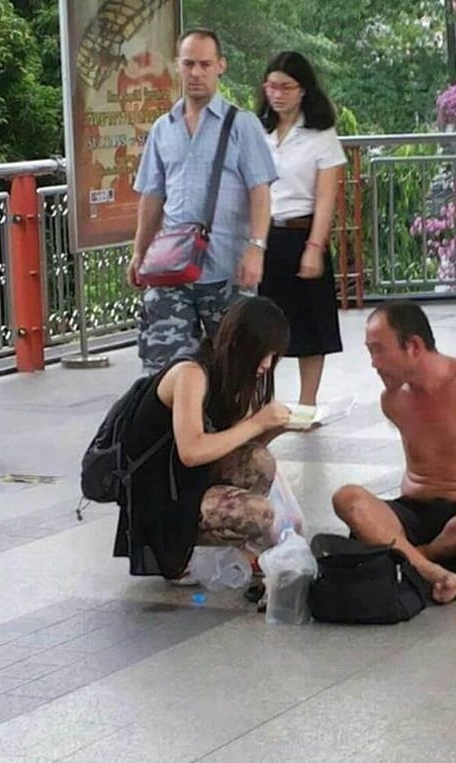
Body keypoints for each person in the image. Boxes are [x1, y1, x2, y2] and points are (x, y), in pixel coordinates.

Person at [332, 301, 456, 605]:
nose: (374, 363)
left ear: (414, 346)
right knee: (348, 499)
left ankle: (418, 559)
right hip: (415, 512)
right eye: (370, 352)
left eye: (379, 350)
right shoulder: (392, 400)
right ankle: (436, 572)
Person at [128, 28, 277, 374]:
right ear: (177, 66)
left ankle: (238, 429)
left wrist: (256, 247)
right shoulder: (163, 128)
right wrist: (140, 252)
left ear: (220, 66)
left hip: (228, 269)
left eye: (205, 64)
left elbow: (260, 191)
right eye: (189, 64)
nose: (196, 73)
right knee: (164, 371)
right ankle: (174, 429)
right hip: (171, 271)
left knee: (238, 369)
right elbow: (151, 196)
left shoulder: (242, 125)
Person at [113, 297, 294, 581]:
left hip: (192, 480)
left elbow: (236, 448)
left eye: (275, 356)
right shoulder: (191, 374)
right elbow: (191, 450)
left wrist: (278, 426)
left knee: (259, 460)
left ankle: (228, 551)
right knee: (260, 513)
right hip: (162, 496)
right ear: (241, 345)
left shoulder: (231, 375)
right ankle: (181, 552)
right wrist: (257, 422)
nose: (268, 365)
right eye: (264, 354)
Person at [256, 51, 346, 406]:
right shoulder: (256, 131)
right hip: (264, 236)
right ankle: (264, 401)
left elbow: (326, 197)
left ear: (303, 89)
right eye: (271, 86)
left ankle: (308, 402)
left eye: (286, 87)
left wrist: (315, 246)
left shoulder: (320, 134)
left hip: (301, 231)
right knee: (262, 326)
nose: (277, 94)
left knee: (310, 325)